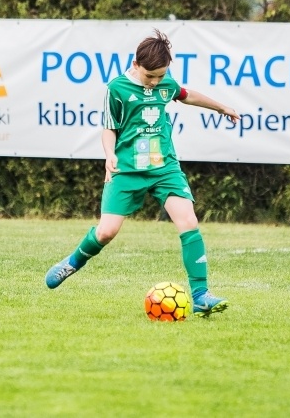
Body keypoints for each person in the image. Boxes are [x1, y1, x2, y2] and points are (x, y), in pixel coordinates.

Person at [45, 29, 241, 317]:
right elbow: (109, 128)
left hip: (164, 167)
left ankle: (200, 295)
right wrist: (110, 154)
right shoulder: (117, 89)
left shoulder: (165, 84)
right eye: (151, 76)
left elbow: (186, 95)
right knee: (106, 231)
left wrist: (221, 107)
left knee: (188, 220)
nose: (156, 82)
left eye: (161, 76)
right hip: (127, 169)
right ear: (136, 64)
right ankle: (72, 262)